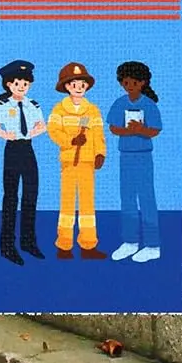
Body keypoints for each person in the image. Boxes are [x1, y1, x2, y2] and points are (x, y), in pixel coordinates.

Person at [0, 59, 45, 263]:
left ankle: (28, 242)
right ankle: (7, 246)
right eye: (17, 83)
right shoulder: (3, 104)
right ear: (9, 85)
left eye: (25, 84)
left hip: (28, 149)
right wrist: (6, 134)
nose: (21, 87)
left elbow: (42, 125)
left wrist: (34, 131)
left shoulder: (33, 104)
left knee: (31, 194)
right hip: (12, 149)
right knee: (10, 197)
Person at [46, 61, 106, 260]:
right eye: (73, 84)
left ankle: (88, 245)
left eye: (82, 84)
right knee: (68, 203)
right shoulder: (59, 110)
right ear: (66, 87)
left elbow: (98, 133)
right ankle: (64, 245)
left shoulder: (93, 110)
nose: (78, 88)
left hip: (88, 162)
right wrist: (70, 140)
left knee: (88, 204)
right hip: (69, 161)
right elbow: (53, 131)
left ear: (86, 86)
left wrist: (100, 153)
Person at [106, 61, 163, 263]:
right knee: (127, 198)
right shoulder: (120, 103)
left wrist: (141, 130)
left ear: (143, 83)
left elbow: (155, 130)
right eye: (125, 82)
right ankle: (130, 242)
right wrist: (127, 131)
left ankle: (152, 245)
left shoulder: (148, 105)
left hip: (143, 157)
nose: (129, 86)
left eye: (133, 83)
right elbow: (113, 127)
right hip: (126, 156)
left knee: (147, 198)